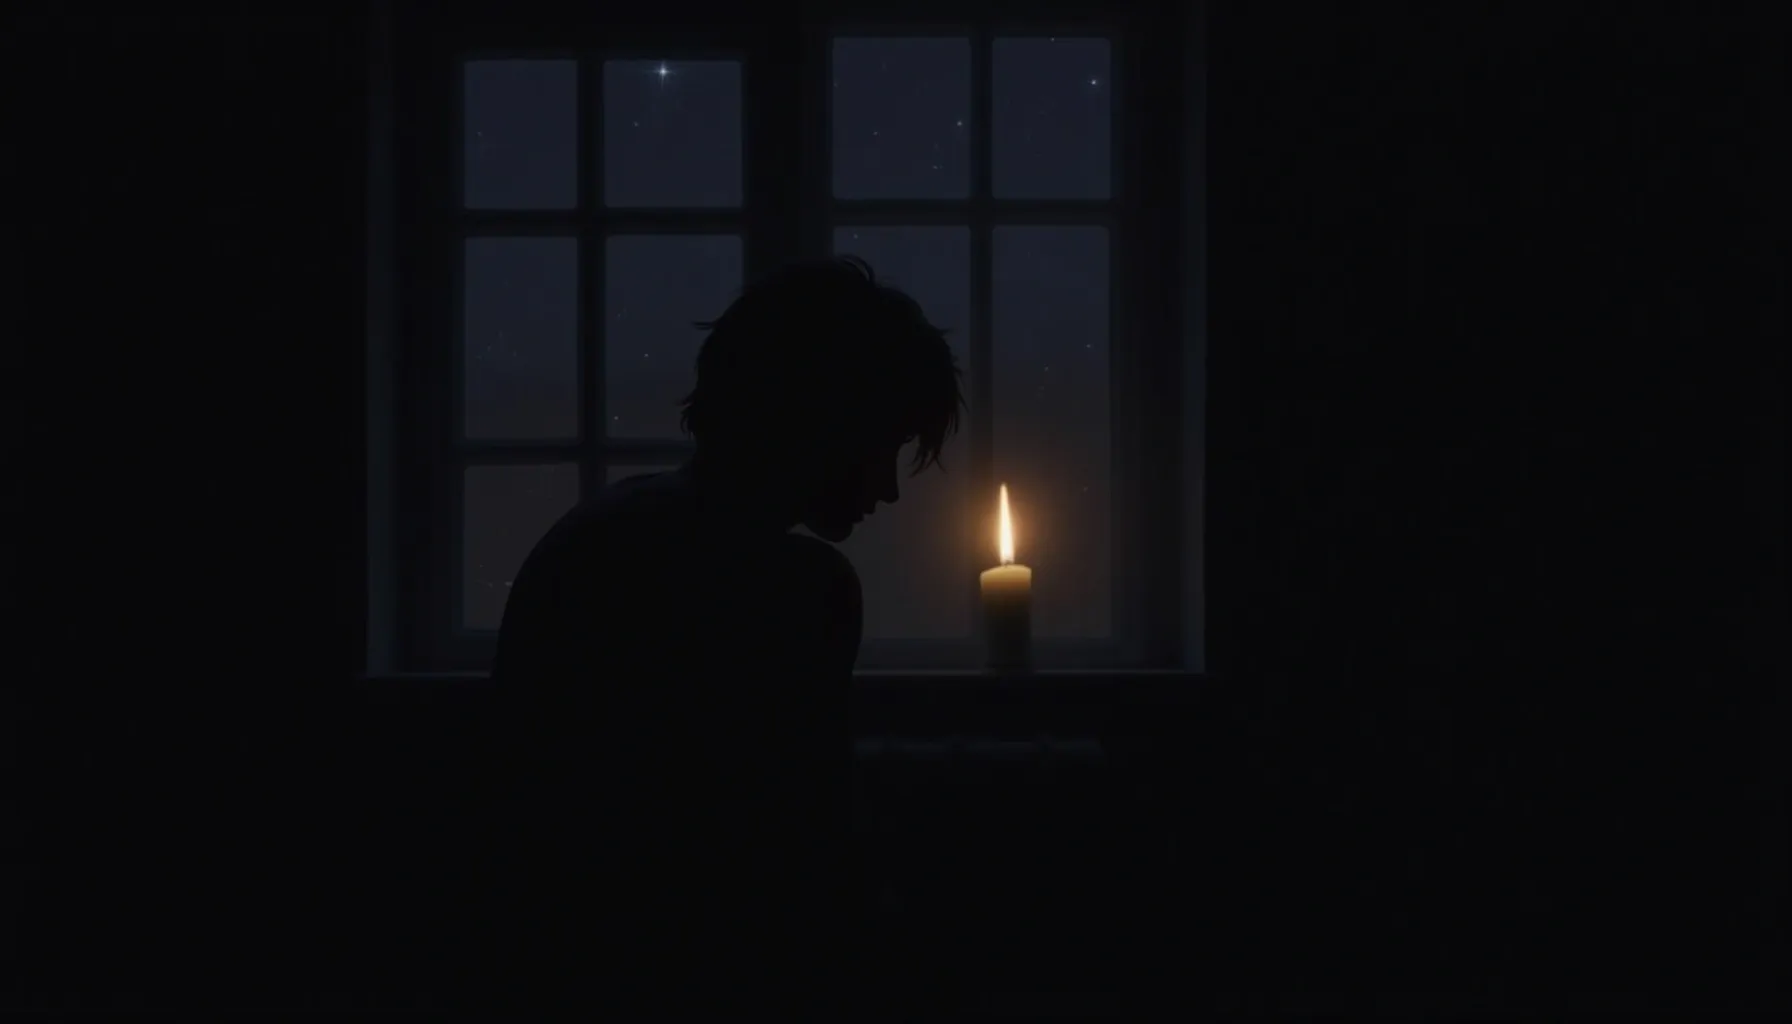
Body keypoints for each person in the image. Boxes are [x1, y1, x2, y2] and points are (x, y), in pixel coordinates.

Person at [483, 256, 963, 1016]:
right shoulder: (792, 586)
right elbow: (800, 849)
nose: (889, 489)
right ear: (825, 423)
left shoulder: (600, 531)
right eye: (885, 446)